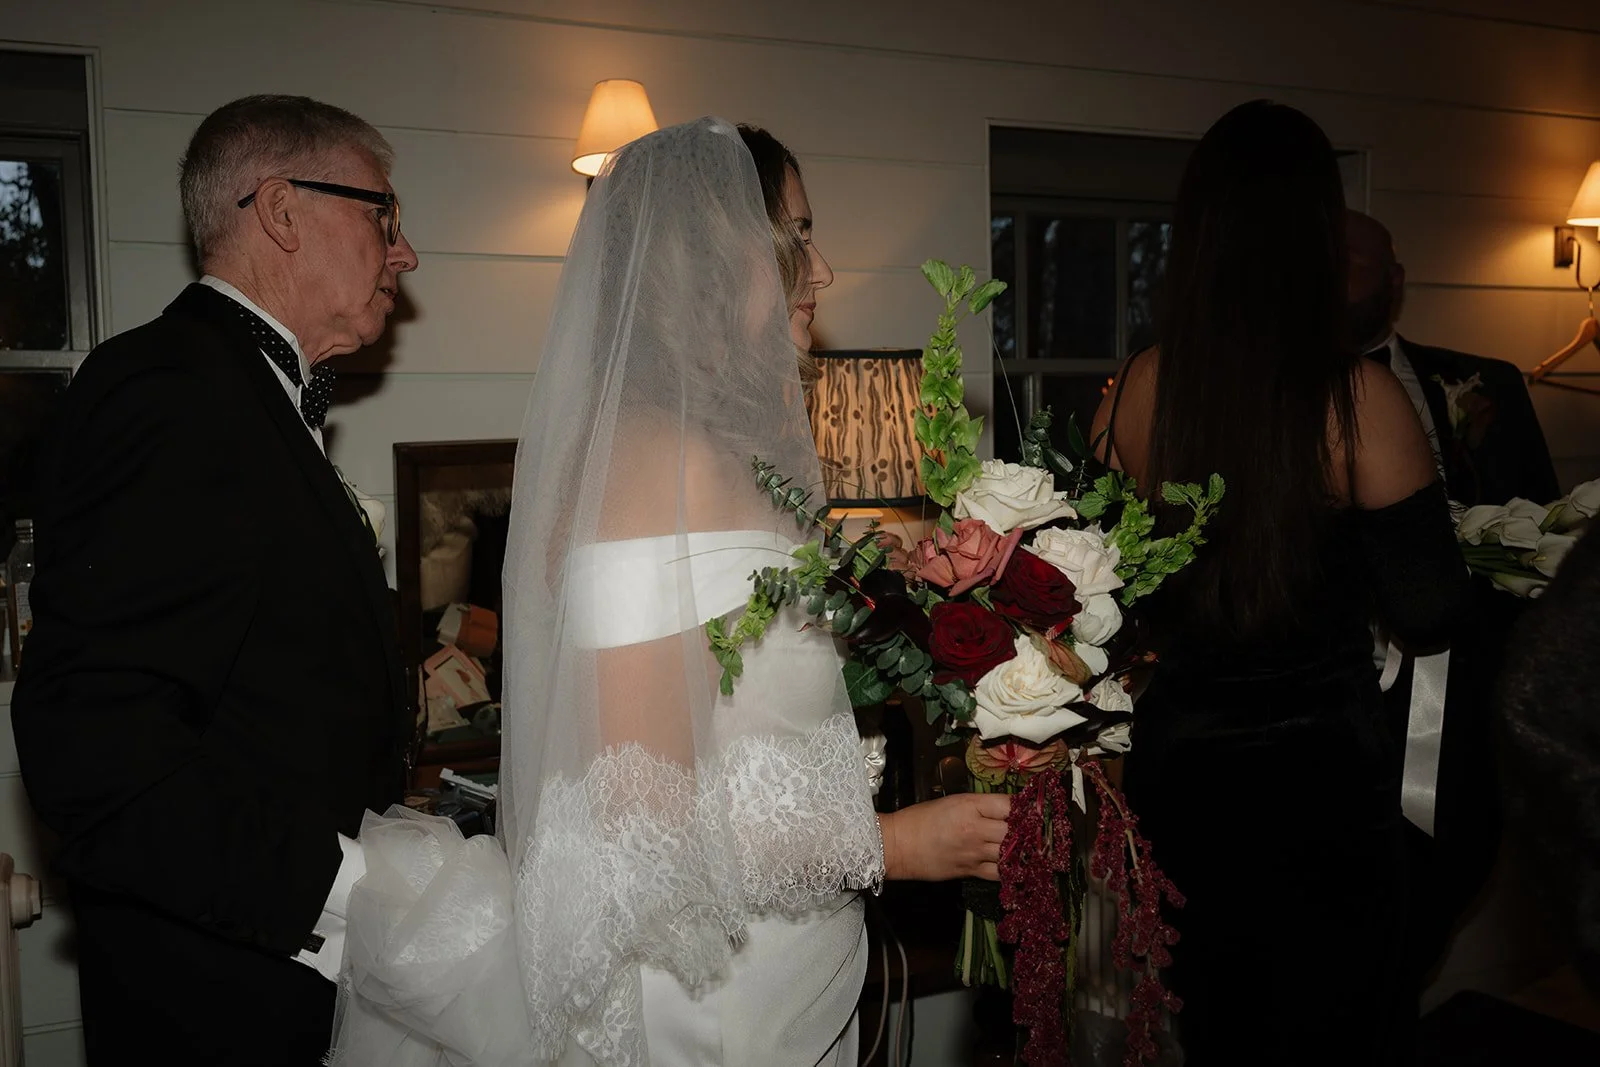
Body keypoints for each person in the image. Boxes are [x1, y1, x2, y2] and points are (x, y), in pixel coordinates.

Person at [329, 117, 1008, 1067]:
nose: (821, 271)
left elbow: (739, 618)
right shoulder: (647, 468)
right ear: (708, 259)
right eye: (797, 235)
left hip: (791, 982)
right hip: (710, 1014)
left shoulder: (723, 451)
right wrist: (897, 844)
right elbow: (642, 819)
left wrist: (894, 555)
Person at [10, 95, 419, 1064]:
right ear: (281, 209)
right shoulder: (172, 393)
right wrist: (353, 893)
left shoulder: (238, 394)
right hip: (216, 993)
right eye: (383, 215)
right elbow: (97, 749)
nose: (404, 253)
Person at [1090, 101, 1471, 1065]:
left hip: (1184, 771)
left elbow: (1111, 590)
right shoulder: (1357, 400)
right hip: (1319, 785)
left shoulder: (1139, 387)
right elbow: (1433, 607)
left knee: (1214, 1029)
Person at [1348, 208, 1560, 993]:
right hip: (1337, 706)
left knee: (1443, 884)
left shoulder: (1485, 383)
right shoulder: (1275, 400)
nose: (1334, 274)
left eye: (1354, 258)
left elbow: (1540, 528)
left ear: (1396, 279)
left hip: (1464, 700)